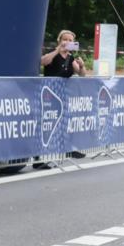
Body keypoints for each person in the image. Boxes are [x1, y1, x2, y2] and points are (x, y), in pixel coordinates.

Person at [36, 29, 87, 164]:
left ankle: (68, 148)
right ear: (59, 40)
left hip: (63, 95)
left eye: (71, 41)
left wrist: (81, 66)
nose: (68, 42)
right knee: (46, 125)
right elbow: (43, 62)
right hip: (49, 95)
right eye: (65, 39)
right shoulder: (54, 54)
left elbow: (82, 74)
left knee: (64, 123)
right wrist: (57, 50)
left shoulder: (70, 58)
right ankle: (38, 157)